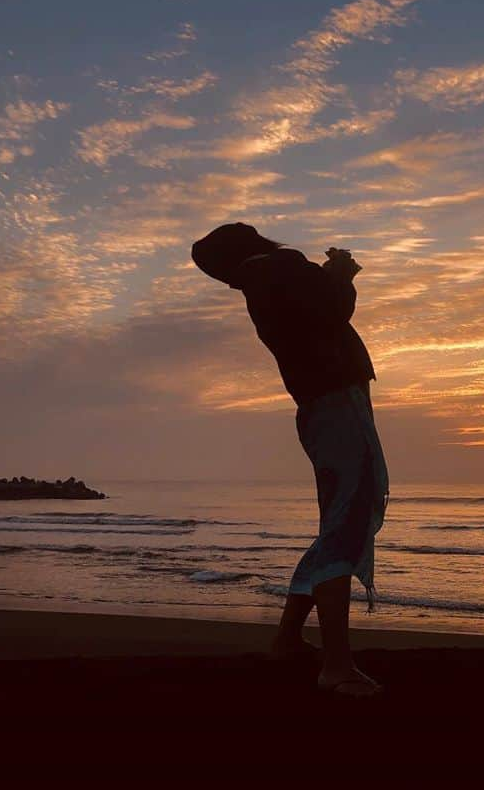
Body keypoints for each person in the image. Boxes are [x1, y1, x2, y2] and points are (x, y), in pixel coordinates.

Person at [191, 224, 388, 697]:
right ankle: (337, 666)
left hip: (318, 408)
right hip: (339, 404)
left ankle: (286, 638)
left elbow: (313, 309)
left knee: (335, 526)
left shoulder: (259, 284)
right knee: (346, 525)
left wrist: (334, 275)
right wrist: (342, 270)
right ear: (253, 242)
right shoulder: (279, 266)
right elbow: (333, 309)